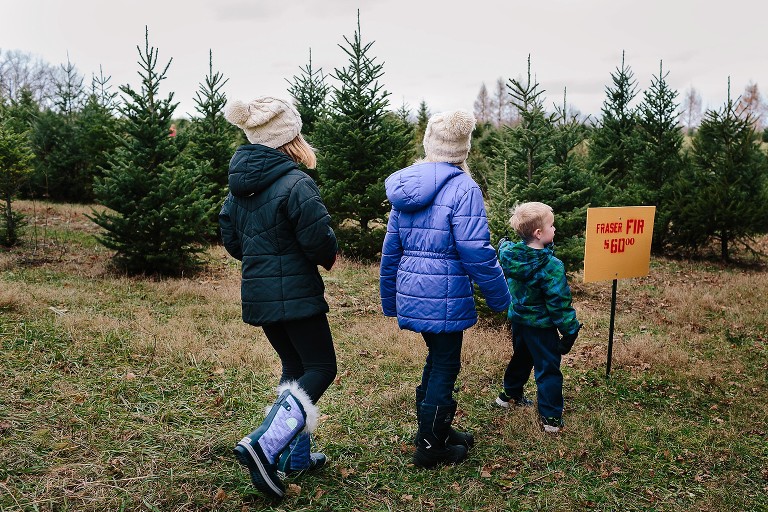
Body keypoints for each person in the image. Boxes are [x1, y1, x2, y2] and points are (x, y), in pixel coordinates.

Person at [219, 96, 338, 499]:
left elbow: (232, 239)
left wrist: (264, 258)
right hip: (298, 294)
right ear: (289, 137)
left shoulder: (239, 188)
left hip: (260, 294)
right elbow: (318, 241)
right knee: (321, 367)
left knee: (294, 365)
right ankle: (264, 444)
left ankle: (295, 456)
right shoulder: (295, 182)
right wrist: (327, 252)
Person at [380, 110, 511, 468]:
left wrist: (390, 298)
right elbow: (476, 250)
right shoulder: (464, 187)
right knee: (445, 365)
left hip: (413, 291)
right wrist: (500, 296)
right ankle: (431, 446)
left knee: (436, 359)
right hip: (444, 295)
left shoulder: (405, 186)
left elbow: (391, 247)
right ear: (462, 149)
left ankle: (435, 429)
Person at [495, 201, 582, 433]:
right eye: (552, 226)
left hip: (519, 321)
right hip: (541, 327)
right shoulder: (551, 266)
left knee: (522, 357)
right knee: (548, 368)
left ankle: (509, 395)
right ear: (538, 233)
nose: (555, 230)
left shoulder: (511, 255)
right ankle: (551, 418)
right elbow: (559, 304)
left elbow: (504, 248)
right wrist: (570, 330)